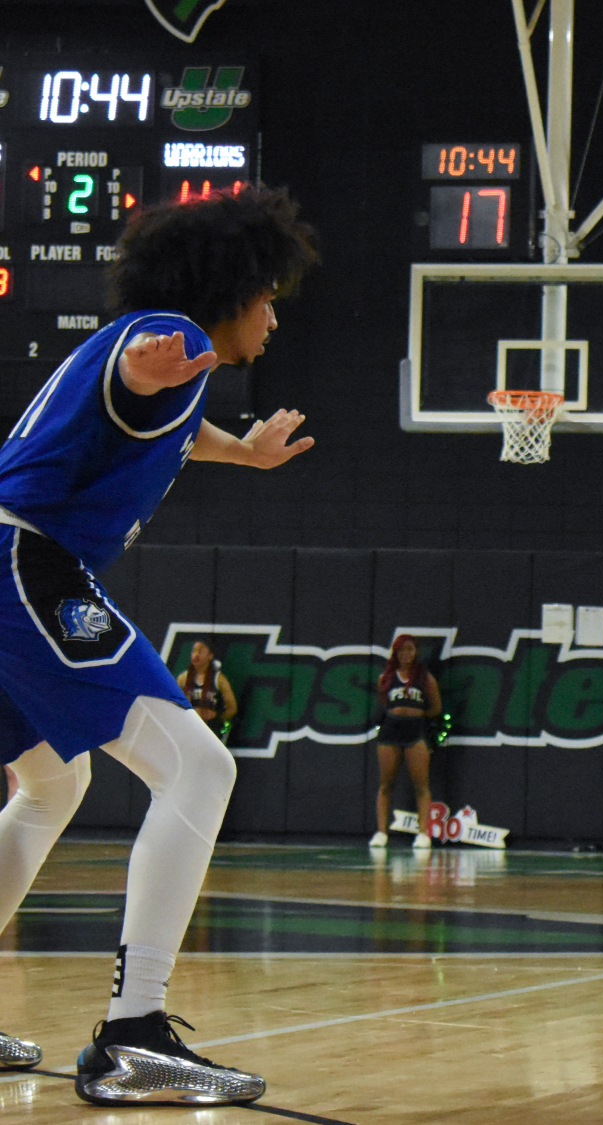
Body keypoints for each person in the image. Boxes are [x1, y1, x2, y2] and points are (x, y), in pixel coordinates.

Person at [0, 186, 316, 1103]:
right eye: (266, 297)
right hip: (27, 562)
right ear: (231, 287)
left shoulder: (174, 366)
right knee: (201, 769)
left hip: (16, 557)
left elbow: (159, 415)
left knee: (54, 782)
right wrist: (152, 363)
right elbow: (140, 378)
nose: (271, 316)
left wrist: (243, 452)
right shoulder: (161, 340)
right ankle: (134, 1034)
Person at [370, 634, 441, 850]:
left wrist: (417, 716)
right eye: (402, 650)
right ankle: (382, 833)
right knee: (386, 784)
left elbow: (436, 708)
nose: (406, 654)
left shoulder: (425, 678)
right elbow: (384, 703)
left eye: (410, 649)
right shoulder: (386, 678)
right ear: (396, 653)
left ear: (416, 652)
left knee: (421, 785)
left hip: (415, 730)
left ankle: (423, 834)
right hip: (391, 730)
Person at [175, 639, 238, 740]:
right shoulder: (183, 678)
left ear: (210, 656)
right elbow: (174, 704)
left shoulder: (219, 679)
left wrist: (217, 716)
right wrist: (192, 712)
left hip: (212, 730)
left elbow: (232, 708)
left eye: (200, 651)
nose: (196, 655)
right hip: (189, 728)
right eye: (194, 651)